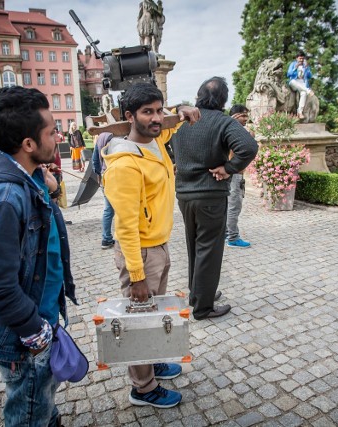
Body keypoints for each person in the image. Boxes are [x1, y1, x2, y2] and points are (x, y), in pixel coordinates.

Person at [0, 86, 77, 427]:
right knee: (28, 410)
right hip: (24, 334)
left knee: (41, 400)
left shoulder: (25, 175)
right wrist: (35, 330)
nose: (58, 138)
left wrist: (47, 185)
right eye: (52, 132)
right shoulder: (4, 199)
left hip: (42, 314)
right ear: (28, 144)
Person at [102, 82, 200, 409]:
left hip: (158, 245)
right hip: (140, 253)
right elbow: (125, 226)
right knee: (139, 320)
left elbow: (169, 125)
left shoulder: (154, 140)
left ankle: (153, 362)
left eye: (159, 110)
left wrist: (182, 111)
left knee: (154, 314)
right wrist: (137, 275)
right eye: (148, 112)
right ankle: (142, 388)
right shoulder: (125, 164)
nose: (156, 118)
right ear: (129, 116)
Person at [171, 77, 258, 320]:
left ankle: (197, 294)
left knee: (194, 244)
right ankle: (203, 307)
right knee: (209, 248)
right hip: (210, 193)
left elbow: (167, 148)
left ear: (199, 96)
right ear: (223, 100)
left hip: (184, 194)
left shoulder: (180, 122)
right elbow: (249, 147)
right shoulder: (222, 121)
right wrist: (229, 168)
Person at [226, 105, 254, 248]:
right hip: (234, 174)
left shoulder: (229, 131)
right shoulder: (233, 133)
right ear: (235, 116)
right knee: (234, 206)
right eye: (243, 116)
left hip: (233, 174)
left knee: (229, 206)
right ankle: (233, 237)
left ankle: (226, 233)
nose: (246, 119)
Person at [91, 132, 116, 249]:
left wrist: (99, 175)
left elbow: (95, 161)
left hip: (105, 176)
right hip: (117, 176)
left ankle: (106, 238)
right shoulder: (116, 136)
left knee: (108, 210)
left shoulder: (100, 137)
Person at [287, 51, 313, 120]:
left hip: (302, 84)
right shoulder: (293, 64)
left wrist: (307, 68)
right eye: (300, 58)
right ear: (296, 58)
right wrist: (295, 68)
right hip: (294, 82)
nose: (301, 60)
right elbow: (288, 74)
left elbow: (310, 76)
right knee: (292, 82)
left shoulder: (305, 66)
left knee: (303, 93)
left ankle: (300, 112)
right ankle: (308, 91)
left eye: (302, 58)